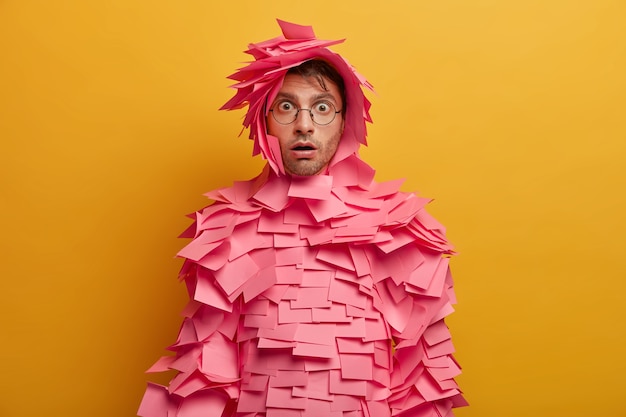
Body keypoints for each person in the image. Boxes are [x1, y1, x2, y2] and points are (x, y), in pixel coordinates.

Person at [138, 19, 467, 417]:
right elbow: (205, 373)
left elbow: (425, 381)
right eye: (287, 106)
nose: (305, 124)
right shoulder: (225, 229)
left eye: (322, 107)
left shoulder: (399, 228)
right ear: (264, 121)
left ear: (346, 121)